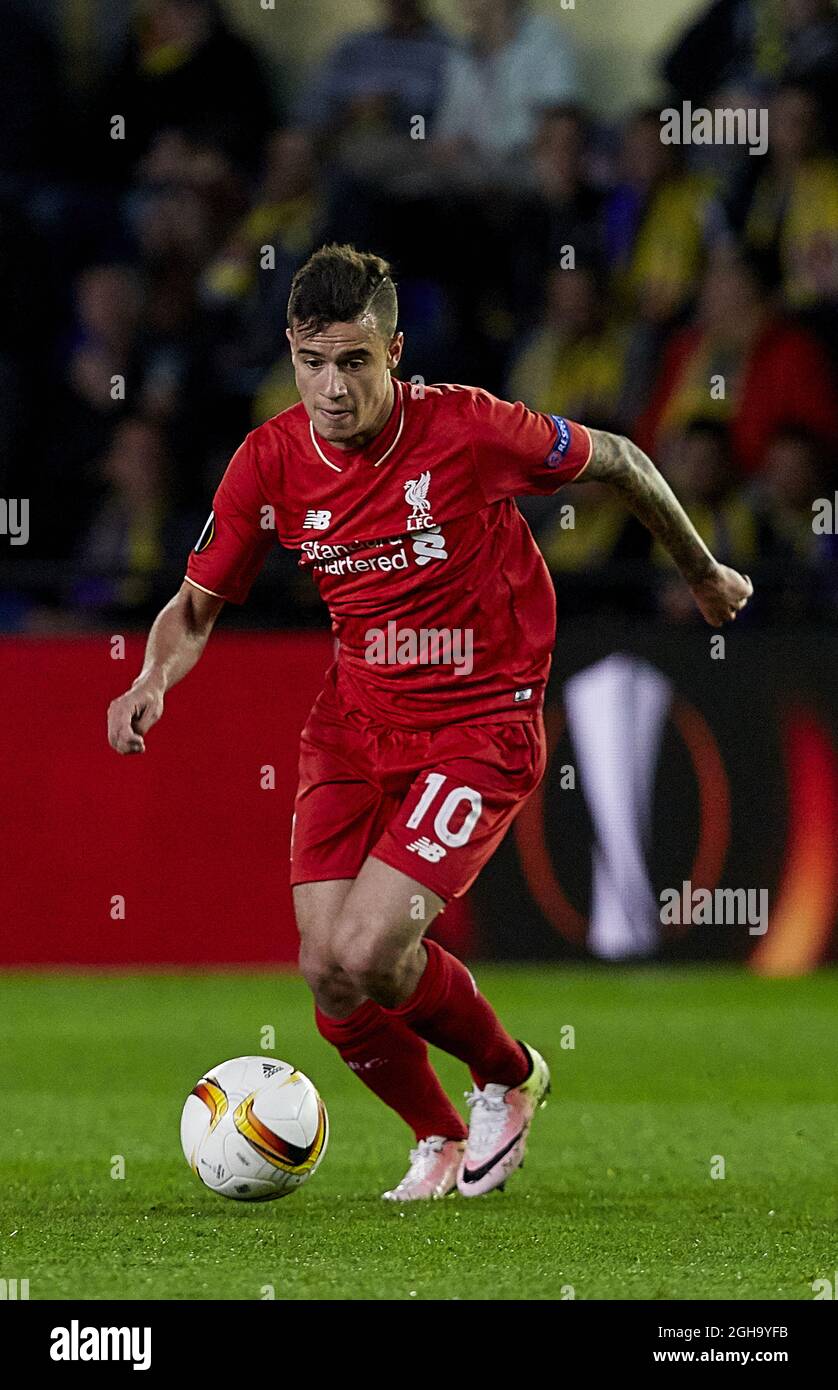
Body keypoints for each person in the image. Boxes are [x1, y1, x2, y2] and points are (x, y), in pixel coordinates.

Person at [107, 244, 752, 1201]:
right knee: (328, 972)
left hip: (480, 724)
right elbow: (195, 605)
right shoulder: (271, 460)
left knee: (372, 950)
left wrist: (699, 570)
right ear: (291, 350)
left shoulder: (468, 428)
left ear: (394, 352)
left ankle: (508, 1074)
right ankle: (439, 1136)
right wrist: (152, 678)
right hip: (354, 721)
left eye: (355, 362)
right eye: (314, 361)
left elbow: (617, 459)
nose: (333, 387)